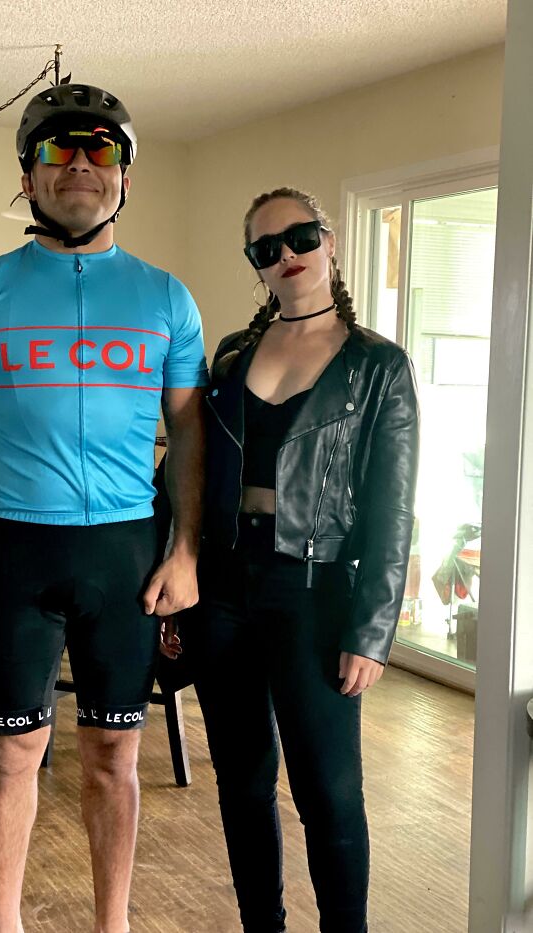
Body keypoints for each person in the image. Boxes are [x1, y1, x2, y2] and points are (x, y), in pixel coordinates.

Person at [0, 80, 207, 933]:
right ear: (27, 175)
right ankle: (4, 924)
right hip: (15, 549)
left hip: (126, 556)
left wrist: (185, 549)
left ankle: (111, 923)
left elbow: (186, 433)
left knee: (116, 755)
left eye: (100, 148)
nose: (79, 163)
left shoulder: (165, 297)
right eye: (57, 148)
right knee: (11, 755)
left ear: (125, 176)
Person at [190, 187, 419, 933]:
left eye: (300, 237)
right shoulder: (230, 354)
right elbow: (190, 474)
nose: (287, 255)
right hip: (222, 584)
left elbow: (392, 506)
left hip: (315, 593)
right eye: (267, 248)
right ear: (256, 266)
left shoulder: (377, 365)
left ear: (330, 241)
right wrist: (178, 571)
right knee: (243, 782)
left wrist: (373, 629)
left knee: (327, 791)